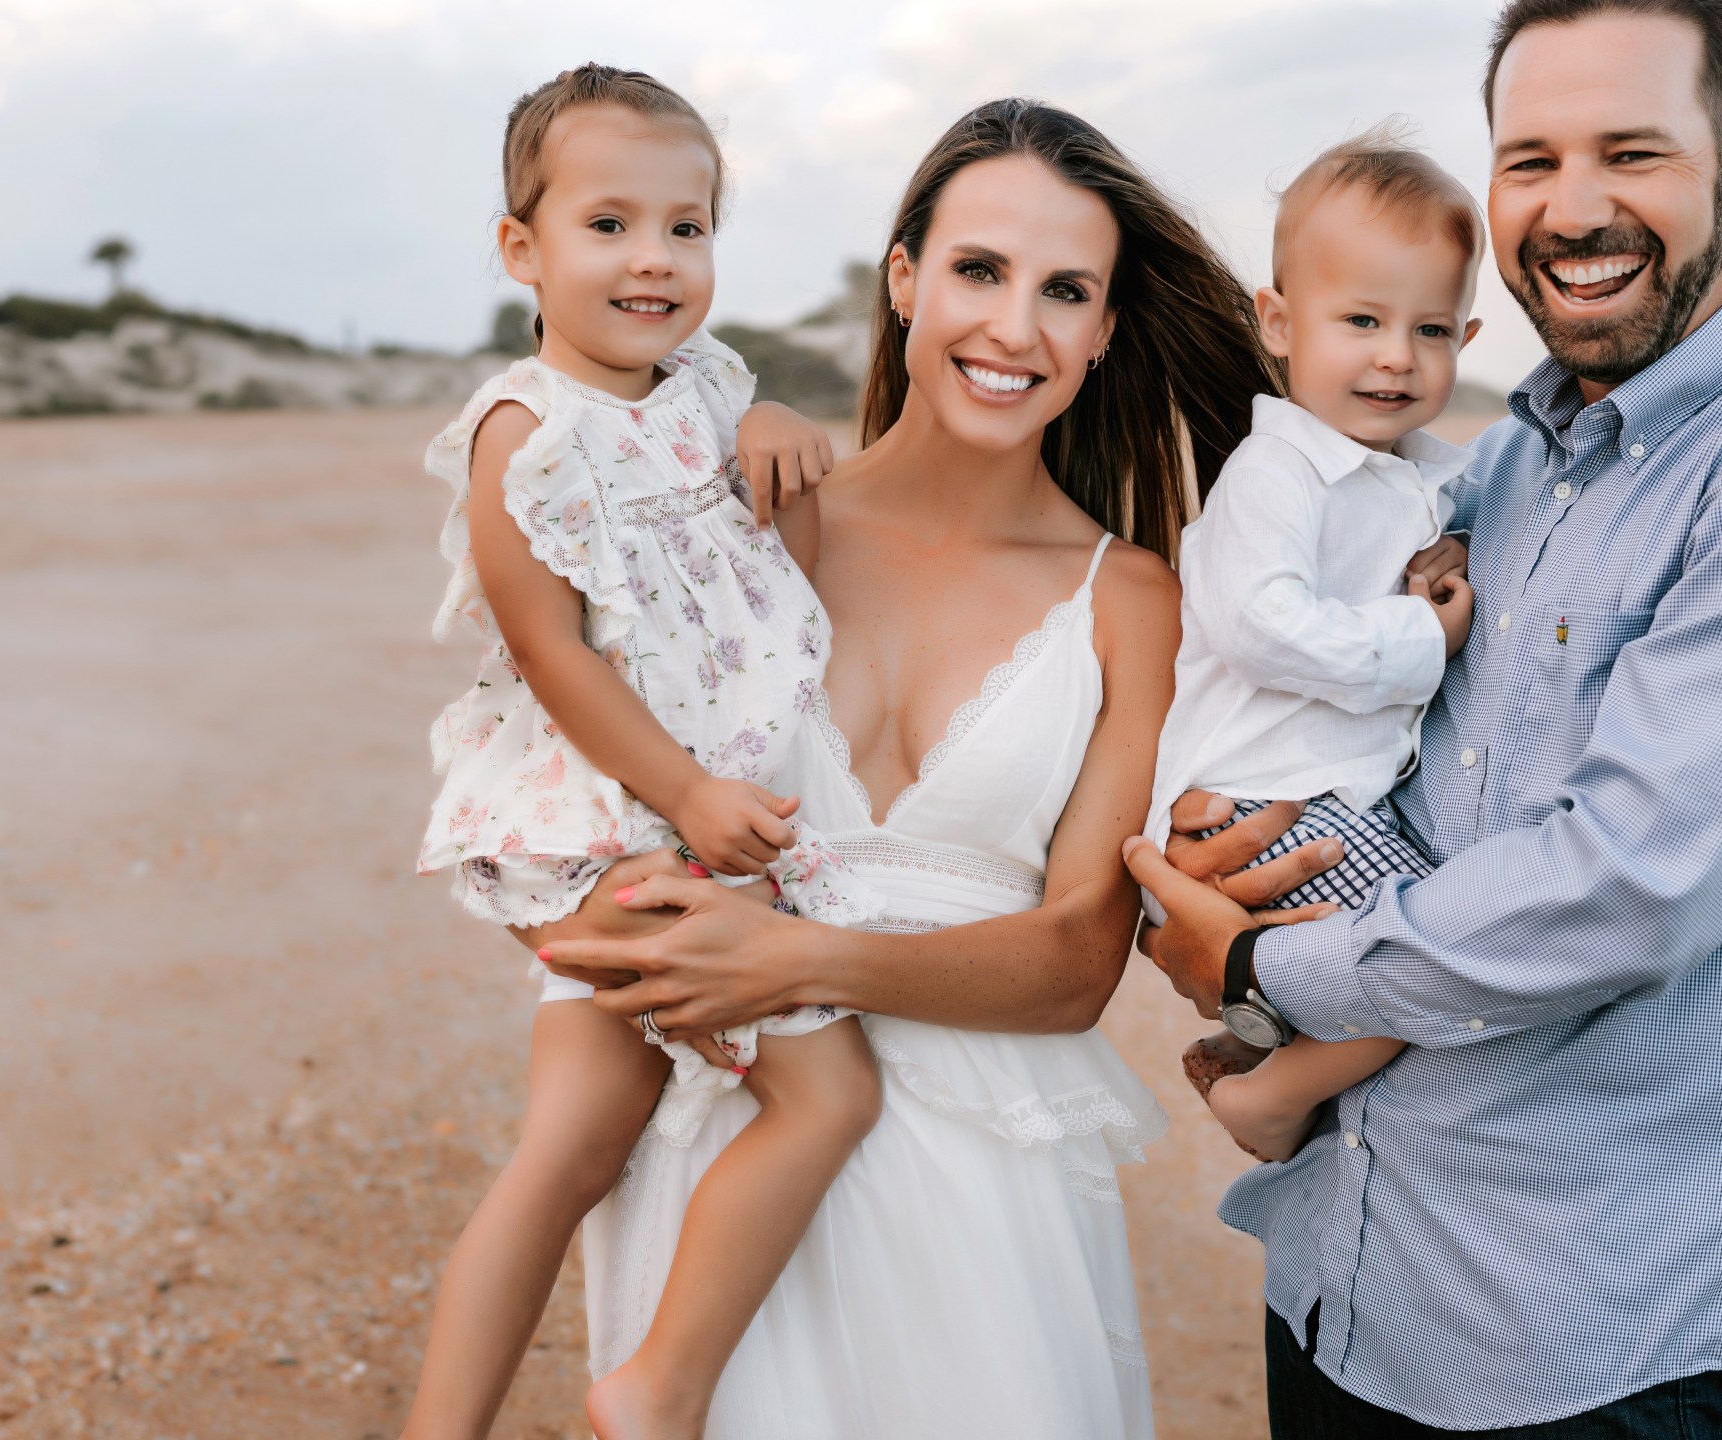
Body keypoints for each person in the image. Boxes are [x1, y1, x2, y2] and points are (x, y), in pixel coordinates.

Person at [1127, 1, 1722, 1435]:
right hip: (1340, 1280)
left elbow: (1635, 881)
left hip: (1587, 1345)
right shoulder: (1491, 469)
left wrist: (1269, 958)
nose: (1572, 209)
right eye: (1530, 161)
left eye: (1630, 152)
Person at [530, 98, 1279, 1438]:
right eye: (979, 271)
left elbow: (1069, 966)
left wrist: (802, 963)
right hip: (729, 1160)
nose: (1015, 328)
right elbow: (578, 786)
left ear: (1105, 332)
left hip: (991, 1182)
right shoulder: (751, 518)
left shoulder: (1132, 602)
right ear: (905, 279)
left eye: (1066, 292)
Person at [402, 64, 883, 1440]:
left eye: (688, 227)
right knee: (827, 1087)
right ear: (523, 249)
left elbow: (760, 532)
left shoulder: (708, 385)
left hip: (689, 805)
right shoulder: (527, 434)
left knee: (571, 1148)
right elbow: (555, 656)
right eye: (608, 225)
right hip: (609, 822)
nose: (653, 260)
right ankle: (656, 1391)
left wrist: (777, 417)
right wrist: (682, 795)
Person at [1148, 130, 1487, 1163]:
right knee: (1433, 955)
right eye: (1363, 321)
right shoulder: (1277, 471)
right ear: (1280, 322)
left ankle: (1255, 1047)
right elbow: (1259, 622)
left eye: (1429, 329)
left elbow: (1455, 524)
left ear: (1466, 337)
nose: (1397, 355)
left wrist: (1460, 541)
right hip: (1259, 795)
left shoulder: (1424, 470)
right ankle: (1271, 1094)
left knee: (1423, 940)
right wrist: (1418, 636)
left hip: (1320, 788)